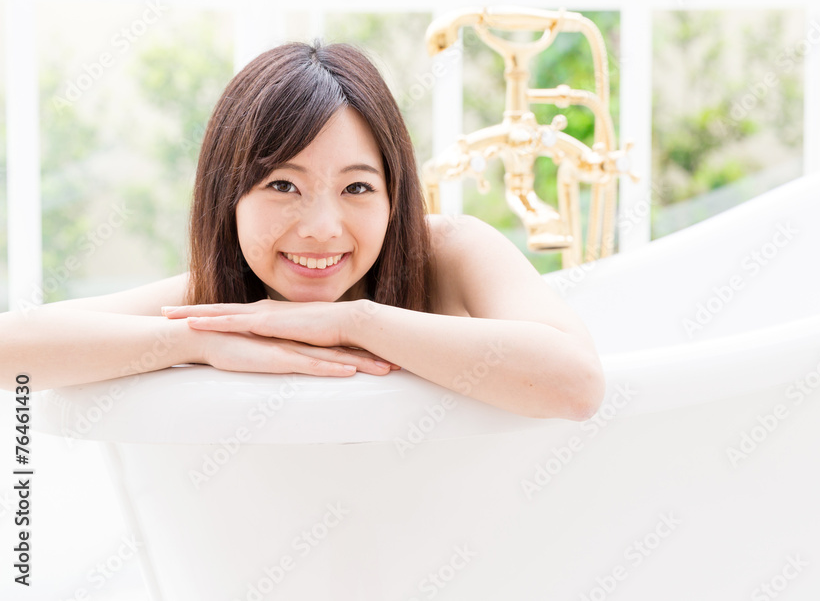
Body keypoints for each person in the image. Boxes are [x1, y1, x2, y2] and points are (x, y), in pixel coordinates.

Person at [1, 41, 605, 421]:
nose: (321, 229)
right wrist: (195, 342)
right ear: (228, 196)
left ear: (395, 197)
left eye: (358, 188)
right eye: (283, 186)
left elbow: (577, 384)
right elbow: (12, 352)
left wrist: (354, 322)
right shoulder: (230, 297)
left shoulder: (450, 251)